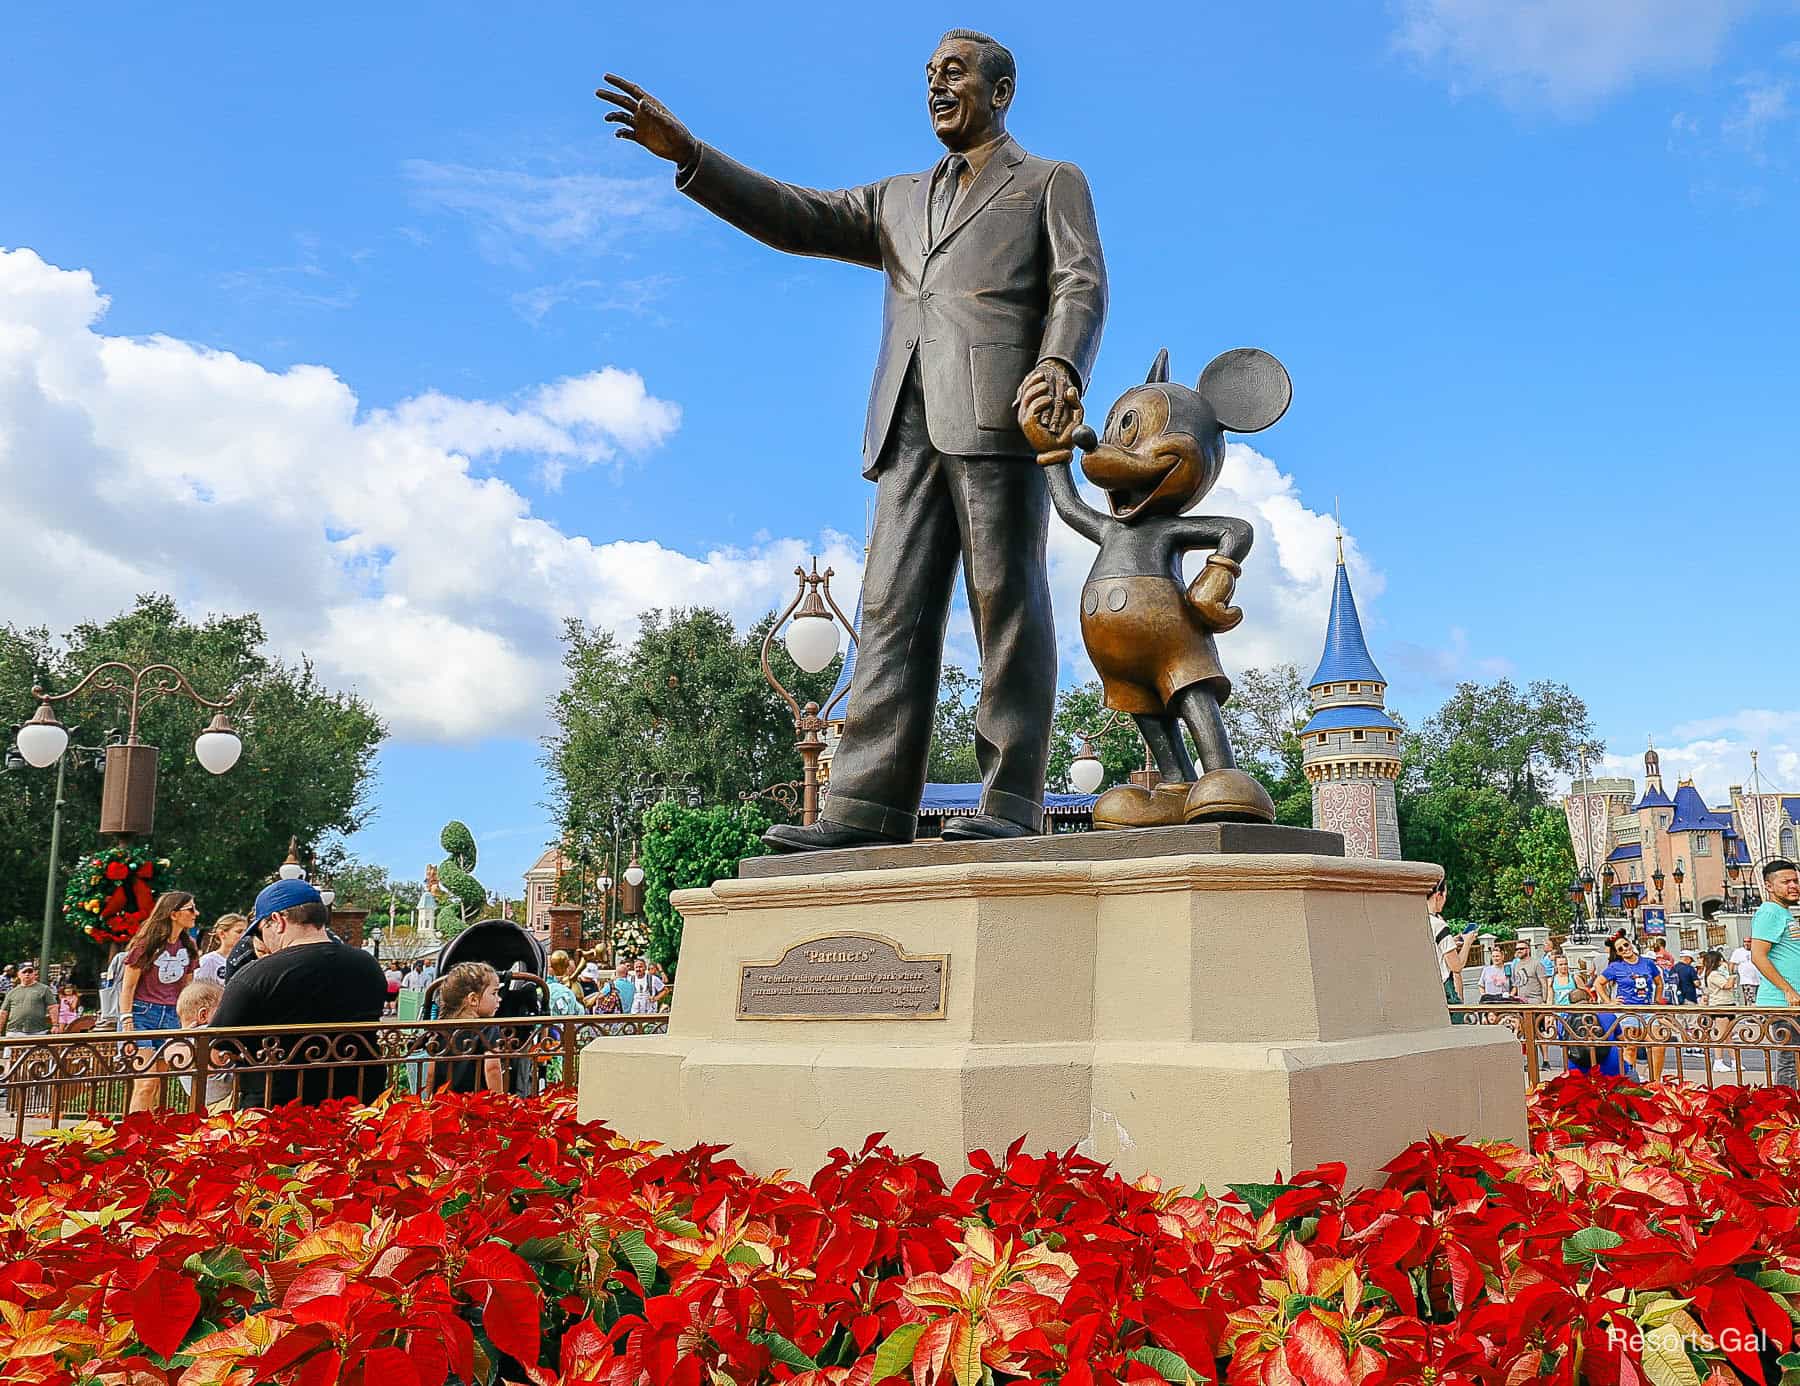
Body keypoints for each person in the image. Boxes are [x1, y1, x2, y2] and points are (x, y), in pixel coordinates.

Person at [600, 29, 1107, 851]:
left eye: (956, 73)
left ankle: (1012, 800)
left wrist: (1058, 365)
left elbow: (1081, 281)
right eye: (930, 76)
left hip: (999, 415)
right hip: (904, 423)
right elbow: (795, 215)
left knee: (1006, 608)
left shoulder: (1050, 181)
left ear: (1002, 90)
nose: (938, 87)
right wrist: (691, 155)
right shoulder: (896, 197)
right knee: (890, 612)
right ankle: (865, 810)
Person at [210, 880, 389, 1108]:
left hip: (278, 1112)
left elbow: (219, 1049)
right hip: (359, 1104)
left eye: (261, 930)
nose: (263, 940)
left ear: (277, 921)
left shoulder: (255, 976)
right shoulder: (369, 965)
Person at [117, 893, 202, 1113]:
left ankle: (148, 1133)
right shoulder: (147, 944)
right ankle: (133, 1136)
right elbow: (127, 987)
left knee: (157, 1083)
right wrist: (127, 1023)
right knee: (145, 1082)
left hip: (172, 1016)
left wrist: (187, 1021)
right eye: (190, 909)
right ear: (174, 914)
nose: (196, 914)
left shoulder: (189, 945)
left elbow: (187, 988)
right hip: (142, 1014)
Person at [1749, 857, 1800, 1087]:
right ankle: (1787, 1113)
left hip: (1792, 1001)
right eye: (1785, 881)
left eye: (1796, 881)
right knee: (1790, 1062)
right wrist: (1787, 990)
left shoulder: (1784, 913)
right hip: (1784, 1003)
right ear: (1769, 886)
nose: (1793, 886)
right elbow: (1758, 956)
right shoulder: (1770, 912)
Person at [426, 962, 505, 1096]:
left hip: (445, 1104)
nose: (499, 999)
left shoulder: (442, 1028)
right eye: (494, 993)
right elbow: (492, 1068)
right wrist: (499, 1101)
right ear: (473, 999)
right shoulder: (488, 1029)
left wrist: (429, 1100)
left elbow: (431, 1073)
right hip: (477, 1104)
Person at [1600, 935, 1665, 1081]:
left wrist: (1657, 1001)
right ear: (1618, 953)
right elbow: (1599, 983)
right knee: (1630, 1047)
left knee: (1658, 1043)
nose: (1625, 949)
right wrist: (1609, 1002)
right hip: (1627, 1011)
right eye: (1620, 949)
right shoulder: (1616, 967)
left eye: (1625, 945)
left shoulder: (1648, 963)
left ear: (1630, 944)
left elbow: (1659, 983)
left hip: (1647, 1010)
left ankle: (1655, 1082)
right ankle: (1630, 1083)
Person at [168, 980, 233, 1111]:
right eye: (221, 1011)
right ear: (203, 1015)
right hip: (224, 1102)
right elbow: (214, 1061)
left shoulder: (179, 1040)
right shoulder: (206, 1033)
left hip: (204, 1102)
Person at [1428, 879, 1478, 1019]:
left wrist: (1451, 942)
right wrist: (1468, 941)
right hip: (1444, 989)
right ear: (1439, 895)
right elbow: (1457, 966)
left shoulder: (1417, 920)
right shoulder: (1439, 925)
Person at [1560, 988, 1627, 1078]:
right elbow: (1622, 1040)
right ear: (1591, 1000)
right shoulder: (1608, 1015)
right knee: (1632, 1073)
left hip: (1577, 1073)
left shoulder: (1563, 1021)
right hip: (1612, 1072)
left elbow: (1563, 1044)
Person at [1703, 947, 1739, 1072]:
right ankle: (1718, 1061)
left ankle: (1735, 1061)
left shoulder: (1718, 974)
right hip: (1720, 1005)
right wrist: (1732, 975)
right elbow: (1727, 985)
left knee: (1728, 1035)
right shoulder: (1714, 974)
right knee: (1721, 1034)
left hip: (1728, 1004)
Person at [0, 961, 53, 1036]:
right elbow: (3, 1012)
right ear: (19, 974)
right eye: (24, 972)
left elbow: (53, 1007)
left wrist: (55, 1025)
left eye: (30, 971)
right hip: (14, 1032)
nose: (27, 974)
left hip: (38, 1031)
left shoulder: (45, 989)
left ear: (35, 974)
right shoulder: (11, 992)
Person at [196, 915, 248, 985]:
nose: (244, 935)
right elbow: (199, 989)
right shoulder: (209, 960)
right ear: (222, 933)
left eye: (246, 931)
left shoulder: (248, 958)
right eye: (239, 932)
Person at [1511, 941, 1548, 1006]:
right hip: (1521, 1002)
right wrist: (1510, 997)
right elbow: (1516, 985)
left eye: (1522, 948)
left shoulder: (1536, 964)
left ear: (1528, 950)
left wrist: (1544, 1001)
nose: (1519, 951)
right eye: (1517, 949)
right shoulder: (1516, 965)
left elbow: (1544, 984)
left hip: (1535, 1001)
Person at [1731, 941, 1761, 1005]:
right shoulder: (1739, 952)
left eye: (1749, 941)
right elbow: (1732, 963)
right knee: (1750, 1000)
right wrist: (1731, 975)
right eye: (1745, 941)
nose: (1746, 943)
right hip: (1747, 981)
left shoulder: (1757, 950)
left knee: (1759, 999)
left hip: (1759, 980)